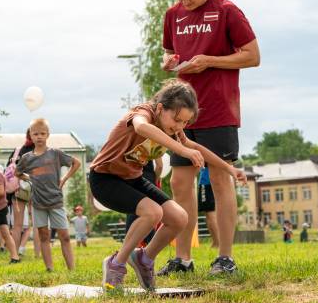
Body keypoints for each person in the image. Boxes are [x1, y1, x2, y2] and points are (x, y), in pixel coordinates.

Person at [89, 80, 247, 290]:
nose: (179, 127)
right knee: (152, 212)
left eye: (185, 123)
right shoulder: (143, 112)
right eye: (177, 119)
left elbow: (195, 147)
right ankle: (116, 263)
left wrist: (230, 170)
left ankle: (144, 259)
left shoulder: (173, 129)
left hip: (132, 180)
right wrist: (182, 151)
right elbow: (142, 127)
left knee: (180, 217)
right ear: (161, 108)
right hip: (105, 179)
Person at [161, 0, 260, 275]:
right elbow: (168, 52)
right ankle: (183, 259)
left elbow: (253, 56)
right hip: (181, 113)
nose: (185, 3)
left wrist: (210, 62)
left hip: (219, 108)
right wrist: (171, 61)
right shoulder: (173, 14)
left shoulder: (228, 10)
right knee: (179, 181)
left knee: (221, 178)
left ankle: (225, 257)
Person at [16, 118, 81, 272]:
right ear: (30, 136)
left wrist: (64, 179)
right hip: (38, 202)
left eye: (42, 133)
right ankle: (49, 268)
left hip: (56, 201)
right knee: (44, 235)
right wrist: (29, 179)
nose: (39, 136)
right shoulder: (27, 158)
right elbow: (17, 173)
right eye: (36, 133)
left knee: (64, 235)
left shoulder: (55, 154)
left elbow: (76, 162)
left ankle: (71, 269)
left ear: (48, 135)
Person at [7, 129, 35, 253]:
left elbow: (9, 171)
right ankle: (38, 255)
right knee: (38, 224)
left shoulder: (17, 150)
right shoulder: (41, 150)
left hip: (18, 188)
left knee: (17, 226)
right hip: (36, 187)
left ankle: (14, 255)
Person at [197, 167, 221, 248]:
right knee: (211, 213)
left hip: (207, 182)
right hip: (212, 180)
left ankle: (217, 243)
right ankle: (216, 242)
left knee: (210, 213)